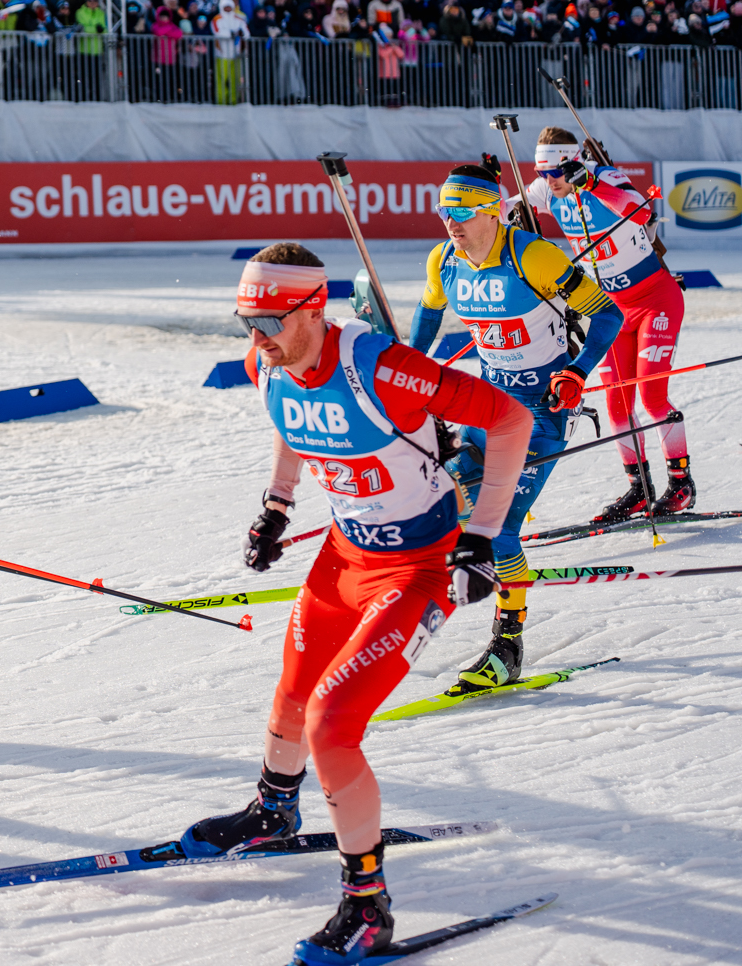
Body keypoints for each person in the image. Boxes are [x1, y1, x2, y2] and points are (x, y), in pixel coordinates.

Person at [182, 242, 531, 964]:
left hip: (415, 569)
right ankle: (273, 811)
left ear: (313, 308)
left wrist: (481, 537)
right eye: (247, 321)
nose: (258, 336)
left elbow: (507, 420)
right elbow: (289, 419)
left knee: (332, 724)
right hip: (343, 556)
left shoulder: (379, 367)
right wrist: (277, 505)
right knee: (290, 696)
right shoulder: (266, 362)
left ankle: (368, 907)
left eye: (271, 320)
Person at [407, 164, 622, 695]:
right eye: (444, 211)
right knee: (441, 497)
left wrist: (577, 372)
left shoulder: (534, 256)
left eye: (462, 211)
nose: (451, 222)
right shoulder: (443, 260)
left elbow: (608, 315)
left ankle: (508, 644)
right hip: (487, 406)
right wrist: (406, 371)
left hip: (543, 411)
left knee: (498, 526)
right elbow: (428, 318)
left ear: (492, 212)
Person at [525, 128, 691, 519]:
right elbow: (502, 207)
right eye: (541, 172)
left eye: (555, 172)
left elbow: (641, 211)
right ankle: (639, 489)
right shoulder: (549, 189)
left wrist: (592, 183)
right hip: (612, 311)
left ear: (573, 162)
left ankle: (681, 484)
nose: (548, 180)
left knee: (651, 397)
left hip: (655, 300)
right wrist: (488, 185)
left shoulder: (606, 176)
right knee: (617, 406)